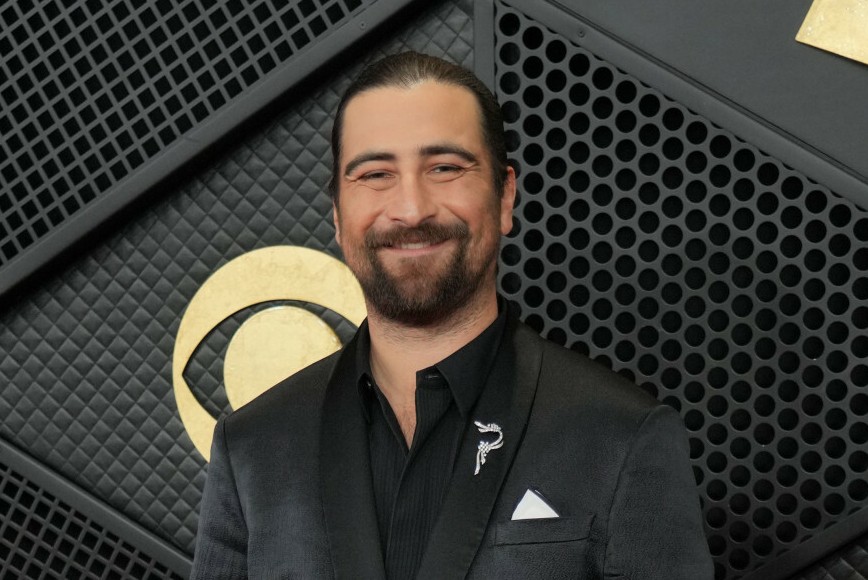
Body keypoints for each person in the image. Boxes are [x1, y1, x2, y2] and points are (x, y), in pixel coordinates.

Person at [191, 51, 712, 579]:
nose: (411, 209)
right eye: (375, 174)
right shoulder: (253, 448)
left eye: (444, 168)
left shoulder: (622, 436)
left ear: (504, 196)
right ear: (338, 216)